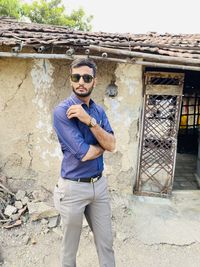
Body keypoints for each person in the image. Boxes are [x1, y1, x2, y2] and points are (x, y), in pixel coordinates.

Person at [53, 57, 116, 267]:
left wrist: (89, 121)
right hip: (73, 189)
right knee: (69, 250)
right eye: (76, 76)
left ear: (94, 81)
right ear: (70, 79)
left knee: (106, 244)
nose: (81, 81)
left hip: (99, 186)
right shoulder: (62, 111)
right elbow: (85, 153)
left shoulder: (98, 112)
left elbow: (113, 144)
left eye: (86, 77)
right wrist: (103, 146)